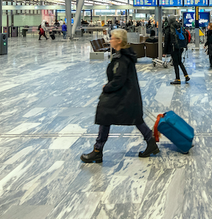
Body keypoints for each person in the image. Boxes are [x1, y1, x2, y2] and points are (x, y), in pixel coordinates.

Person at [81, 29, 159, 163]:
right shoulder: (123, 55)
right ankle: (150, 142)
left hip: (124, 95)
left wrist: (107, 87)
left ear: (119, 41)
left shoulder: (122, 59)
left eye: (112, 38)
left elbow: (119, 79)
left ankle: (98, 150)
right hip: (128, 95)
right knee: (135, 118)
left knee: (105, 115)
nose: (110, 40)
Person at [166, 19, 190, 85]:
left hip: (174, 48)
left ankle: (177, 79)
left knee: (175, 63)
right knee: (180, 62)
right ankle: (186, 76)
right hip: (181, 47)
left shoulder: (170, 28)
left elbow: (167, 40)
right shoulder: (180, 26)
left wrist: (165, 51)